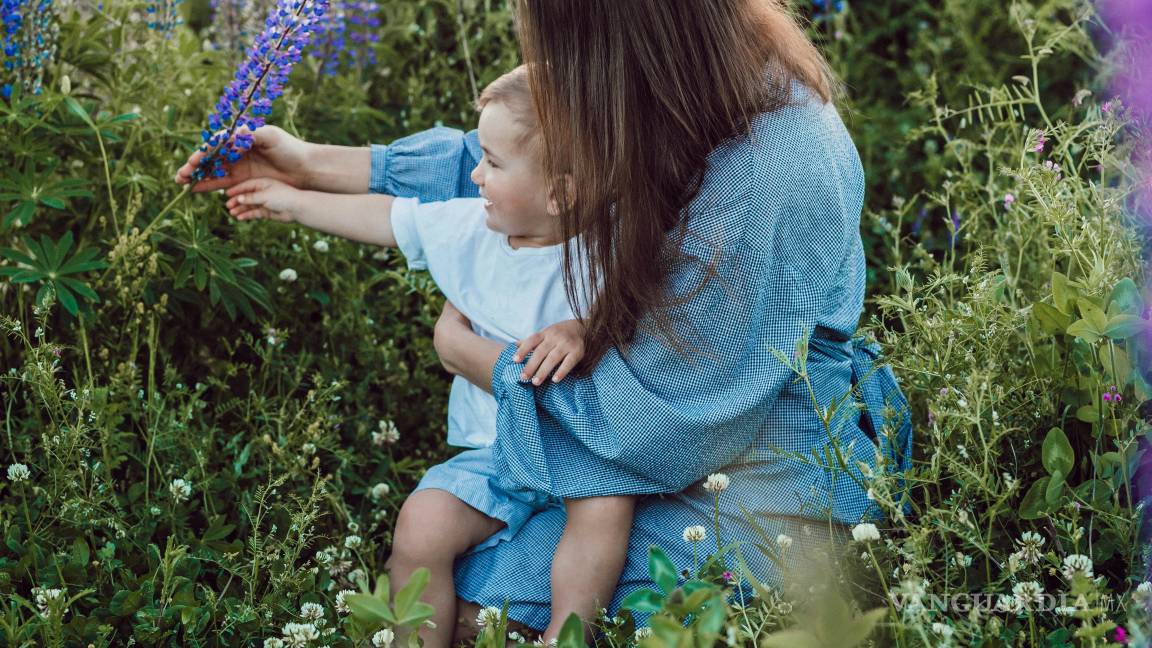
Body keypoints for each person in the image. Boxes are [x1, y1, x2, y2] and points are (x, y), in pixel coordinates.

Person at [176, 0, 913, 642]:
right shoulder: (698, 84)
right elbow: (518, 161)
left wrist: (478, 360)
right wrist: (308, 165)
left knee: (472, 610)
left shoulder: (768, 171)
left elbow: (659, 425)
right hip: (651, 420)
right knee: (431, 569)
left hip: (748, 463)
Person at [206, 66, 638, 645]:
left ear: (561, 192)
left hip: (584, 449)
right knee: (422, 522)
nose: (475, 175)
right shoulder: (470, 229)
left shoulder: (613, 247)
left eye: (492, 162)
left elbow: (652, 313)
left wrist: (585, 328)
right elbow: (387, 218)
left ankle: (566, 636)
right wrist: (287, 199)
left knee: (605, 509)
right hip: (495, 452)